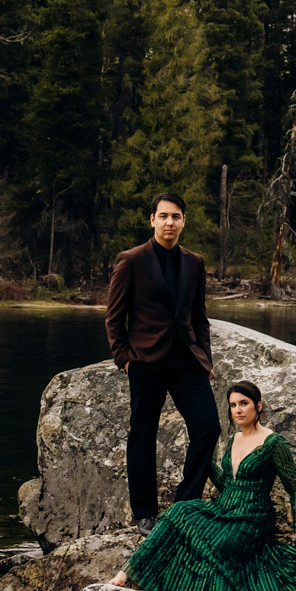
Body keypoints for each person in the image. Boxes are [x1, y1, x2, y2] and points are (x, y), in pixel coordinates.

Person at [108, 381, 296, 591]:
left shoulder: (273, 443)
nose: (238, 410)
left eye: (244, 403)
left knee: (218, 548)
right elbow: (227, 482)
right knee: (179, 511)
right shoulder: (233, 440)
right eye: (233, 405)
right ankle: (125, 574)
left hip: (252, 518)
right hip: (224, 510)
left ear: (259, 406)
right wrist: (203, 460)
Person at [104, 193, 220, 531]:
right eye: (164, 216)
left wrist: (206, 360)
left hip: (187, 361)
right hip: (146, 361)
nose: (170, 222)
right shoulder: (131, 260)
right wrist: (124, 359)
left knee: (208, 426)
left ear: (184, 222)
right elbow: (114, 318)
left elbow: (200, 317)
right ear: (152, 219)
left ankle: (185, 503)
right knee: (143, 435)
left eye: (177, 217)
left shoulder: (194, 262)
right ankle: (144, 513)